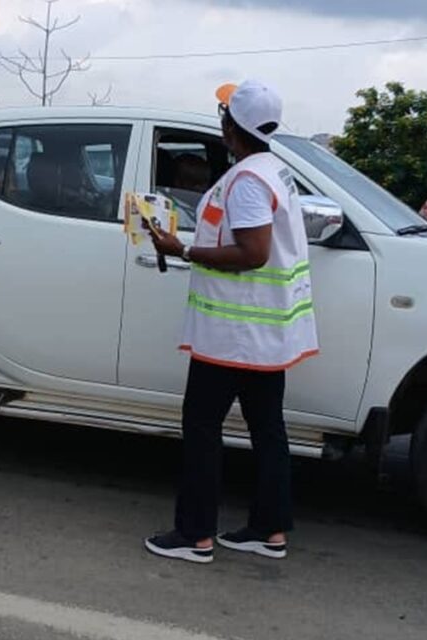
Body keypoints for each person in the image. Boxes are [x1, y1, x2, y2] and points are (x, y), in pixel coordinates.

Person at [143, 80, 318, 564]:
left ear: (230, 127)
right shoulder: (273, 171)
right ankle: (268, 530)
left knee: (202, 427)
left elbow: (253, 253)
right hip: (263, 334)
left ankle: (194, 535)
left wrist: (183, 250)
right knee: (267, 429)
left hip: (233, 335)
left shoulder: (248, 182)